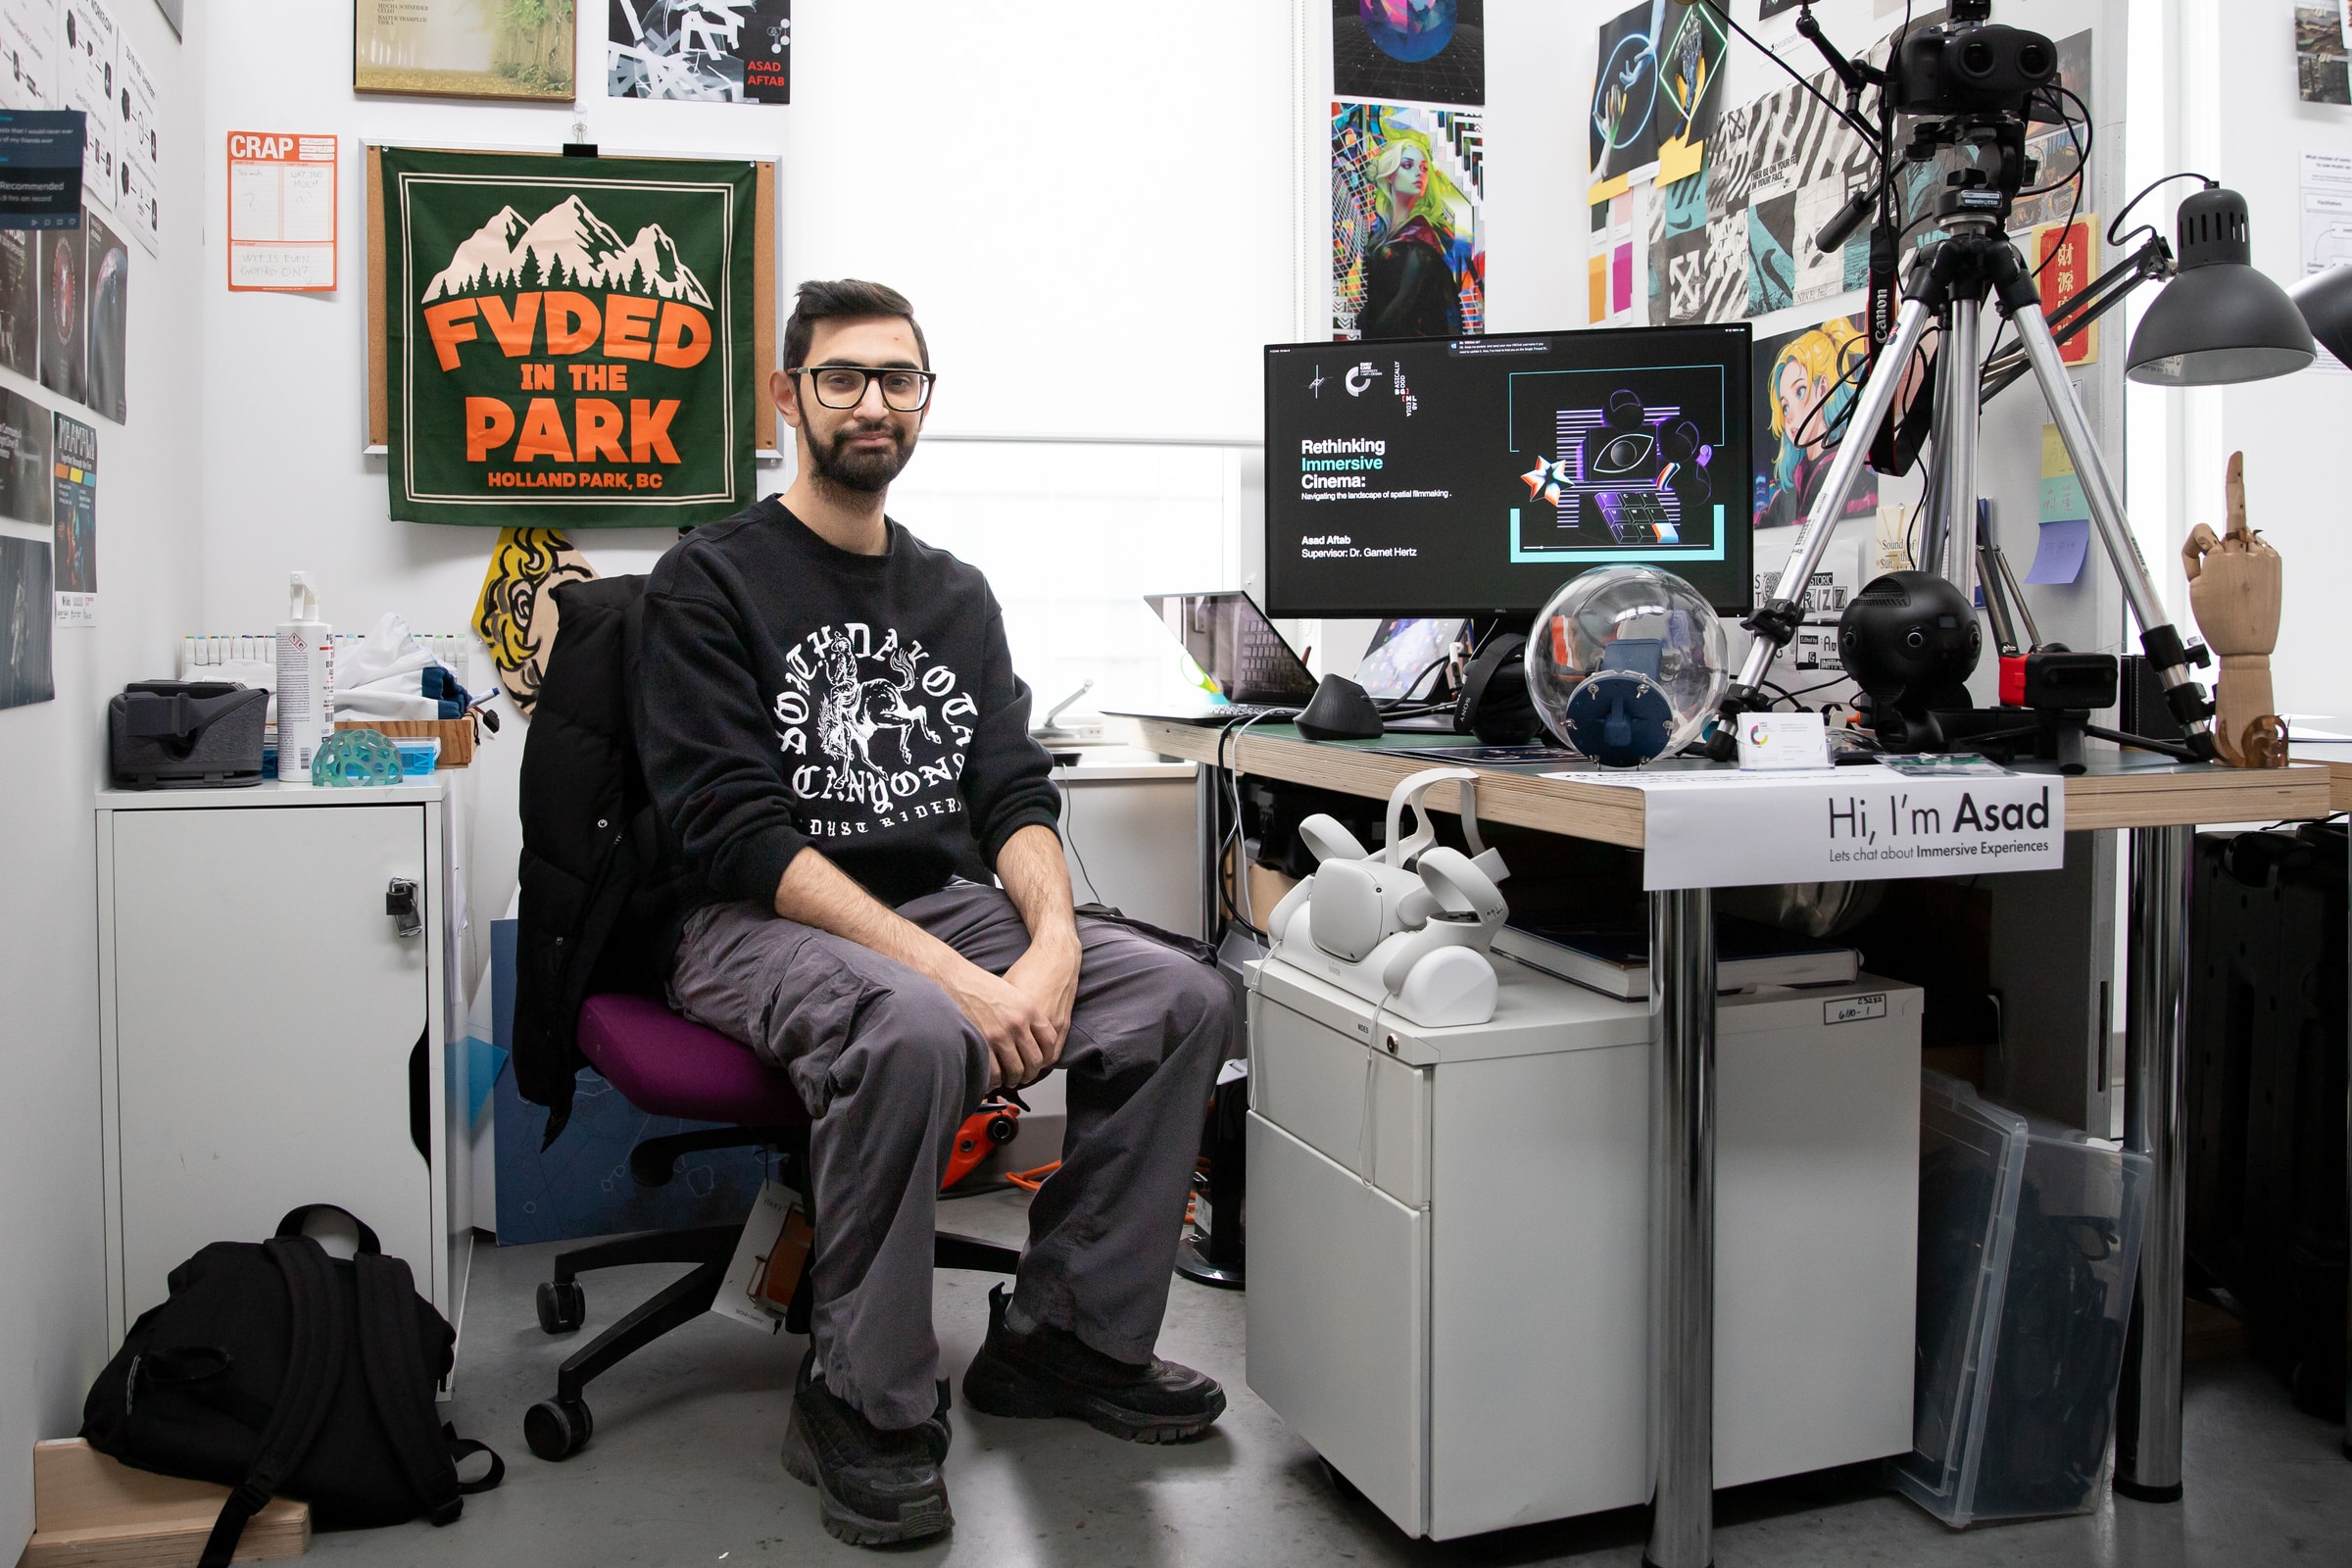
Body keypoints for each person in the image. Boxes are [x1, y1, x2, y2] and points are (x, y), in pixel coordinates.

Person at [635, 279, 1232, 1547]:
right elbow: (737, 834)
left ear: (924, 404)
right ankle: (861, 1400)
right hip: (752, 920)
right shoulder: (707, 582)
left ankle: (1067, 1338)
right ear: (789, 395)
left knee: (1181, 997)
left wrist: (1057, 948)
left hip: (946, 907)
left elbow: (1014, 793)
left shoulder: (957, 594)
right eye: (842, 376)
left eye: (897, 379)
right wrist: (960, 984)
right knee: (916, 1029)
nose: (871, 402)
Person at [1759, 317, 1868, 529]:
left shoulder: (1854, 480)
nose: (1788, 416)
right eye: (1785, 406)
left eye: (1800, 391)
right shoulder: (1786, 494)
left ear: (1823, 388)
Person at [1358, 125, 1466, 338]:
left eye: (1424, 168)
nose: (1419, 173)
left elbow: (1399, 309)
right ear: (1389, 175)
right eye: (1408, 165)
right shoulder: (1378, 234)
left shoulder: (1422, 243)